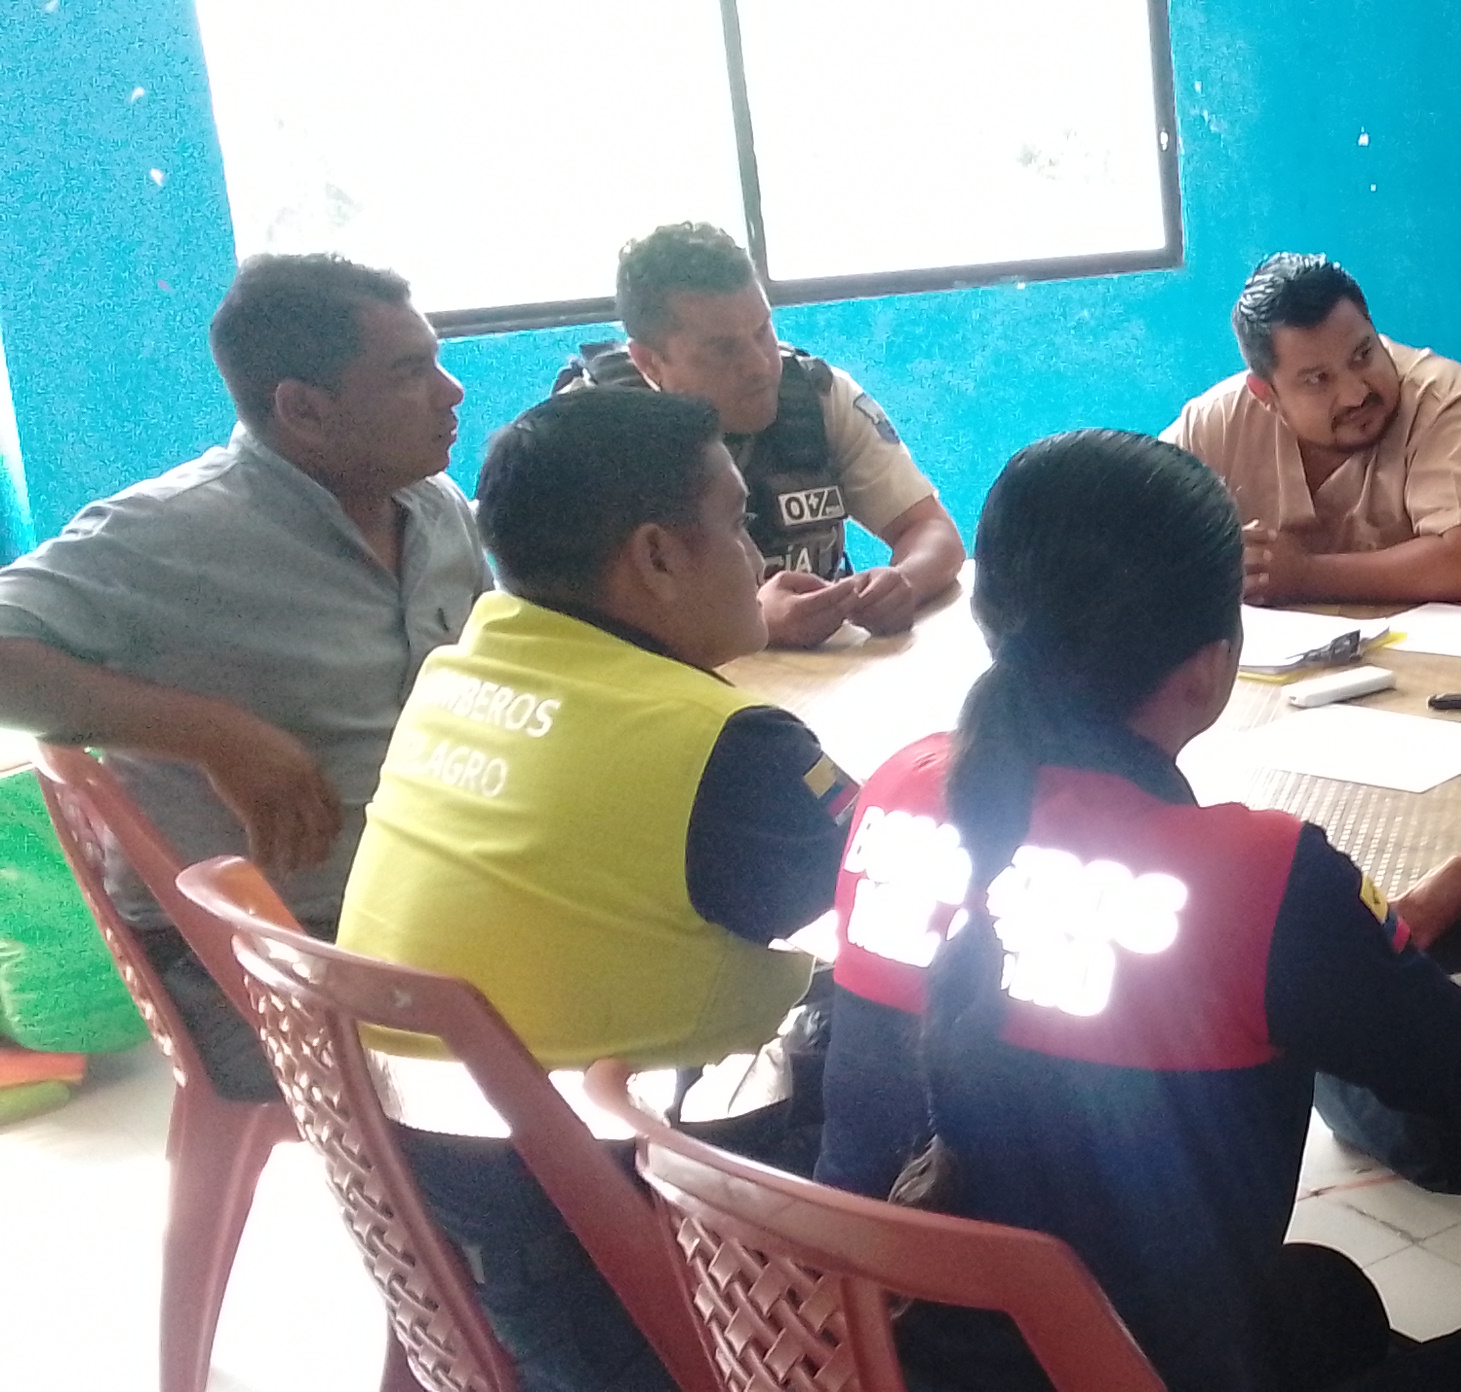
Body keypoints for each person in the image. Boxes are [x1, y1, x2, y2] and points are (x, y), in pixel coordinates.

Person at [811, 429, 1461, 1392]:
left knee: (1323, 1299)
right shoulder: (1256, 877)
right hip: (1102, 1368)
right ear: (1213, 663)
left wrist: (1374, 932)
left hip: (869, 1342)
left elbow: (1122, 954)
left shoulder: (899, 788)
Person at [336, 387, 856, 1392]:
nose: (759, 557)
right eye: (737, 524)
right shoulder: (715, 746)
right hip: (632, 1243)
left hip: (449, 1220)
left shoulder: (457, 675)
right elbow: (902, 900)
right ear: (656, 556)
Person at [0, 253, 489, 1102]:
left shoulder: (434, 507)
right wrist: (216, 735)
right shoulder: (166, 535)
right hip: (264, 951)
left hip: (428, 904)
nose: (451, 393)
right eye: (409, 372)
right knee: (592, 1039)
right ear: (303, 410)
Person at [555, 222, 964, 648]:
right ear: (649, 362)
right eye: (723, 348)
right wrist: (748, 622)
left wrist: (901, 582)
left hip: (822, 676)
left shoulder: (819, 398)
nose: (759, 365)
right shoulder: (581, 437)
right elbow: (571, 629)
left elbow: (930, 528)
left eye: (762, 331)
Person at [1161, 253, 1461, 604]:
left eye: (1363, 355)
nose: (1356, 394)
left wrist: (1306, 576)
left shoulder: (1441, 399)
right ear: (1266, 394)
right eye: (1318, 379)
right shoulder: (1215, 422)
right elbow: (1138, 531)